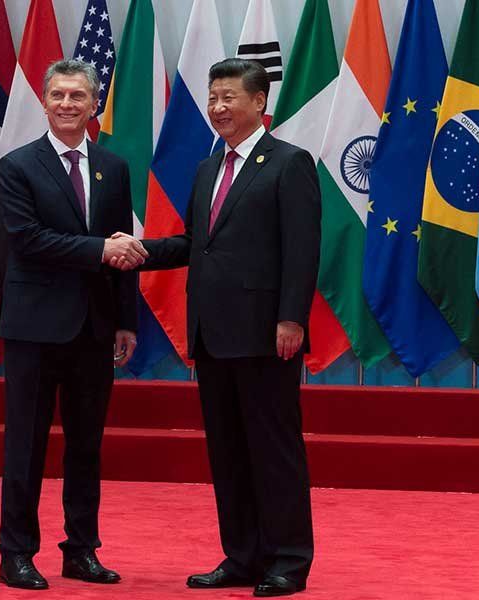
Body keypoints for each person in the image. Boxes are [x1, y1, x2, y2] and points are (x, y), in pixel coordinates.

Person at [113, 58, 320, 597]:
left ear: (259, 104)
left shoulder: (289, 164)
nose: (219, 108)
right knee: (227, 451)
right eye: (213, 99)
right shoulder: (209, 169)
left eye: (230, 98)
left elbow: (302, 250)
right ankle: (242, 556)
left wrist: (292, 317)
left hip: (268, 333)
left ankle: (288, 561)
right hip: (212, 333)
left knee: (274, 449)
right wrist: (141, 251)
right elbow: (194, 244)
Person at [0, 59, 147, 590]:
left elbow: (124, 248)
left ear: (93, 104)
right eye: (57, 95)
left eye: (77, 96)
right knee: (26, 445)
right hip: (34, 329)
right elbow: (28, 241)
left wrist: (126, 320)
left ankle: (80, 549)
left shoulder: (114, 166)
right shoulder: (16, 165)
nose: (66, 104)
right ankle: (15, 552)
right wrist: (99, 249)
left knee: (87, 445)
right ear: (43, 102)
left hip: (95, 329)